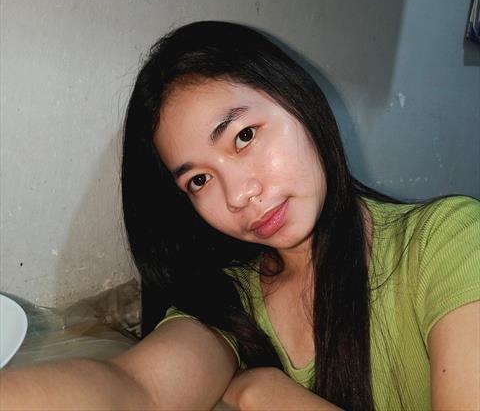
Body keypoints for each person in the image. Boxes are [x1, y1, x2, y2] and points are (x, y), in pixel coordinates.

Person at [1, 21, 479, 411]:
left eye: (244, 136)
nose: (239, 195)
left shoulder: (449, 242)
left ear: (299, 101)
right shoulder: (232, 298)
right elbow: (137, 390)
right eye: (199, 180)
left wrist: (265, 394)